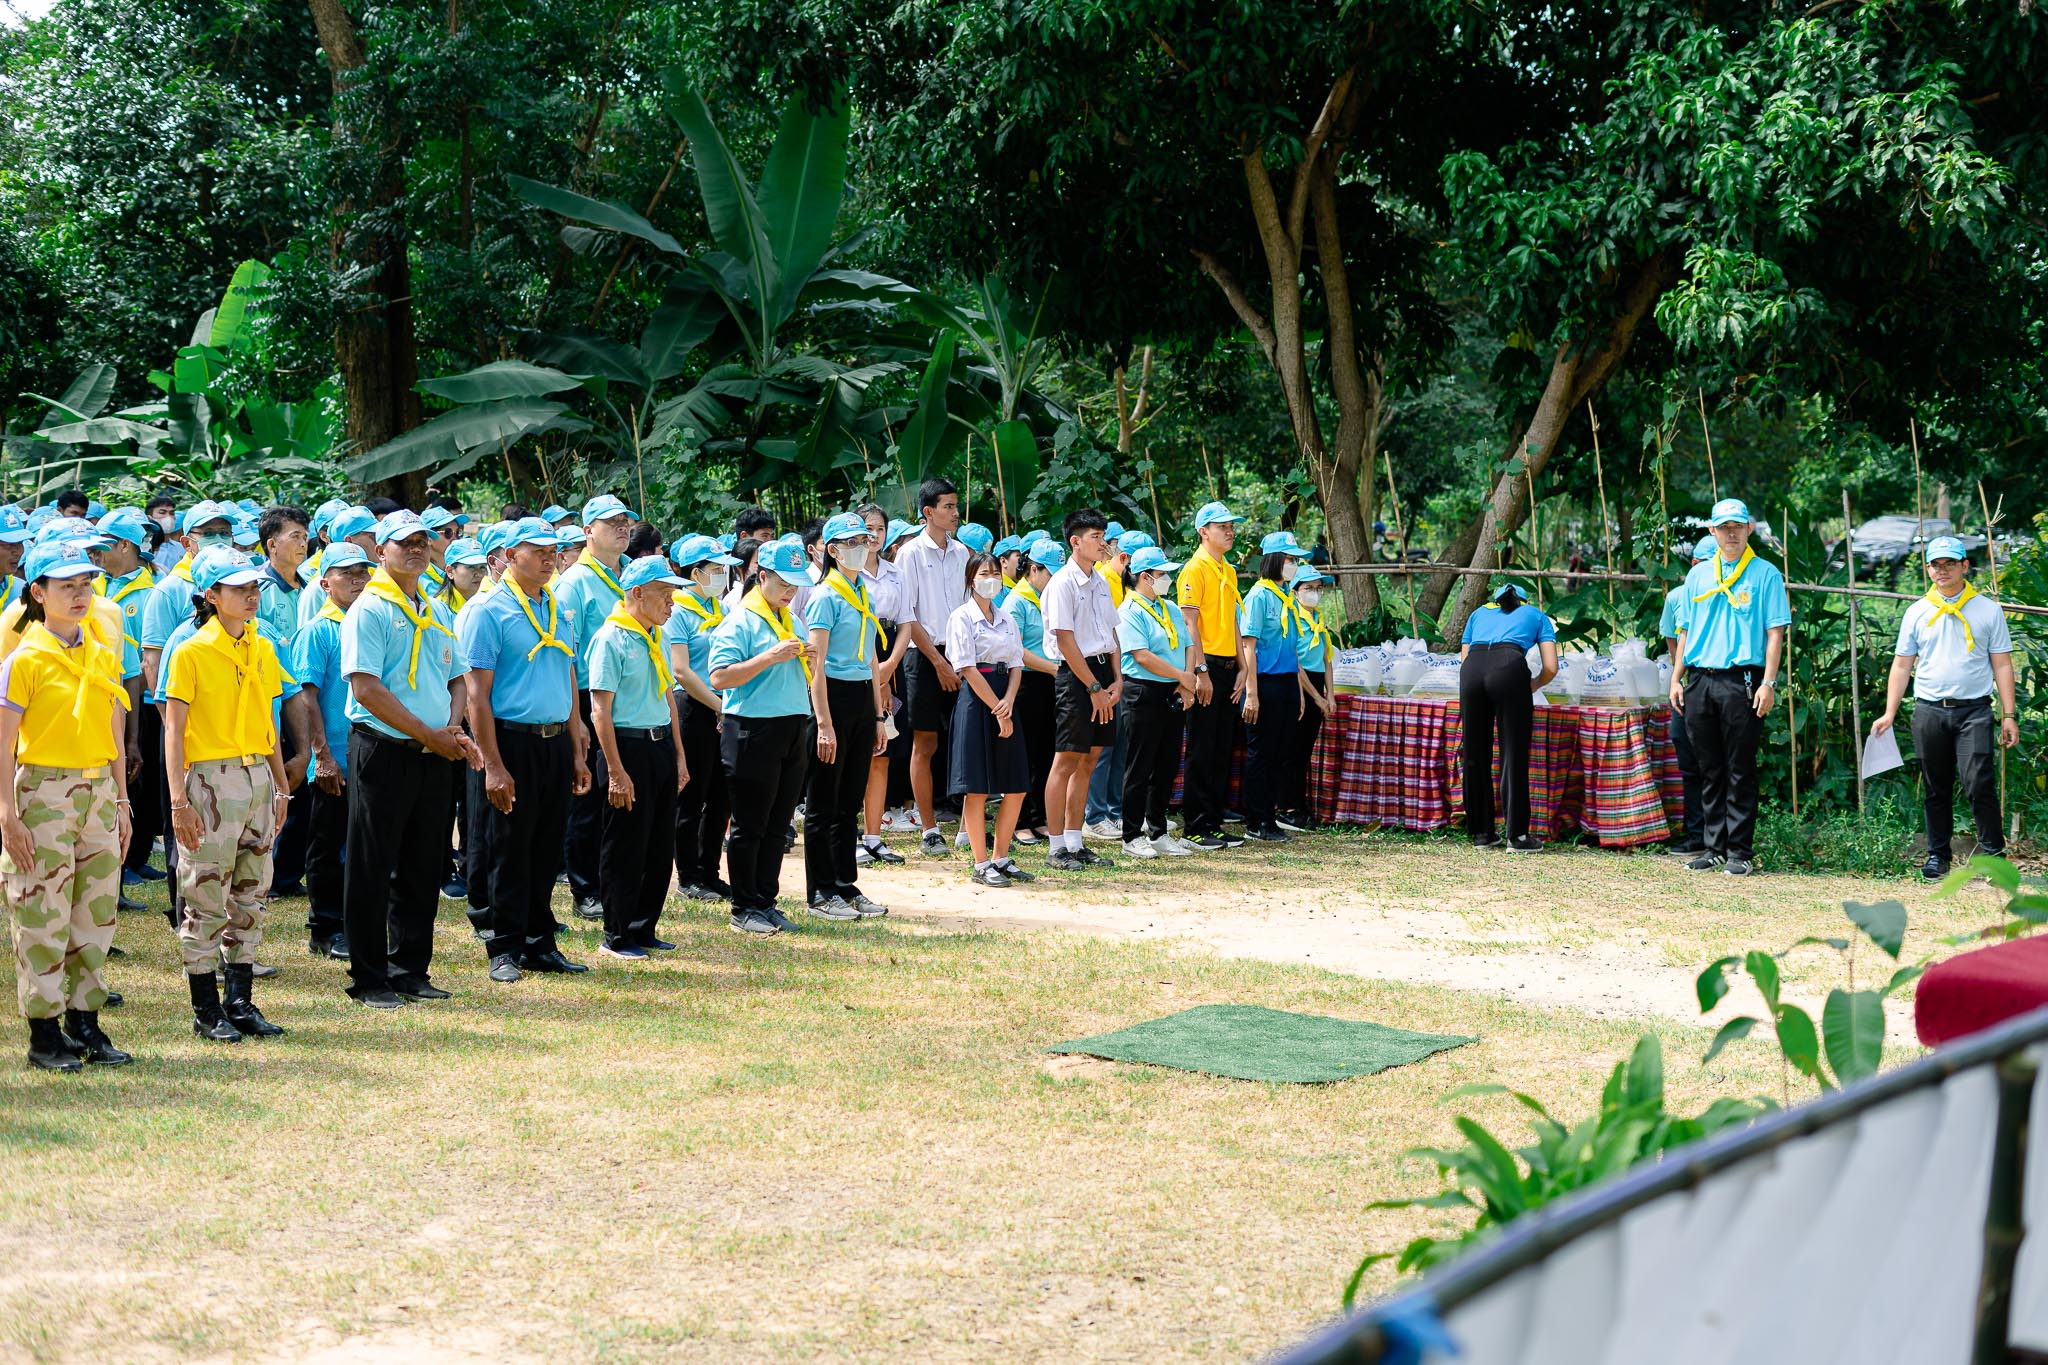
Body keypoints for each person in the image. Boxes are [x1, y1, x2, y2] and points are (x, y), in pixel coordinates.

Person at [339, 510, 481, 1008]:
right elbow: (366, 688)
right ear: (381, 552)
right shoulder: (370, 609)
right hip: (384, 749)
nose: (417, 549)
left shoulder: (436, 609)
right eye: (405, 542)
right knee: (372, 864)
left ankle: (410, 967)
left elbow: (457, 678)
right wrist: (429, 734)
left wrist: (452, 728)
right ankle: (369, 976)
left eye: (423, 540)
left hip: (434, 751)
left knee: (423, 863)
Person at [2, 541, 133, 1071]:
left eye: (85, 585)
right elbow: (3, 744)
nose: (80, 595)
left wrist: (121, 798)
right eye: (66, 586)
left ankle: (86, 1022)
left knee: (95, 912)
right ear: (38, 593)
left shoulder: (100, 653)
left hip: (98, 791)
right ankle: (44, 1033)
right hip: (43, 792)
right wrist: (7, 815)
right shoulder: (24, 660)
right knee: (41, 912)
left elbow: (114, 729)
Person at [162, 545, 292, 1042]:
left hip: (256, 774)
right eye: (238, 589)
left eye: (254, 586)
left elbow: (267, 722)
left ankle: (239, 1001)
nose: (251, 595)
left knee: (252, 892)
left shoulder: (262, 646)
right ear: (211, 595)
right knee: (205, 893)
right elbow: (174, 731)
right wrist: (179, 801)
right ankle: (205, 1008)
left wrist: (280, 786)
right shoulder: (191, 650)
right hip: (210, 780)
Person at [464, 517, 591, 982]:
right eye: (536, 550)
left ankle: (540, 941)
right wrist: (493, 765)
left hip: (555, 739)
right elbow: (477, 695)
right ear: (509, 555)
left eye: (552, 550)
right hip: (511, 739)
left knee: (546, 847)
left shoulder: (557, 606)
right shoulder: (488, 610)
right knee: (509, 847)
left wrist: (576, 743)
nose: (547, 558)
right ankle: (505, 946)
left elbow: (567, 675)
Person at [1871, 536, 2018, 879]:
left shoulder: (1988, 610)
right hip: (1930, 710)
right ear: (1928, 569)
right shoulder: (1917, 612)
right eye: (1936, 565)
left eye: (1950, 564)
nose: (1943, 571)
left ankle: (1994, 856)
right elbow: (1902, 665)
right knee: (1935, 787)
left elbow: (2002, 664)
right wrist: (1890, 712)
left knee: (1978, 782)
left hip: (1974, 711)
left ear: (1965, 566)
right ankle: (1938, 856)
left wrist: (2009, 715)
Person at [1669, 498, 1792, 877]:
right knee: (1708, 768)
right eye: (1724, 528)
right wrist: (1676, 677)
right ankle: (1713, 848)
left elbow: (1775, 633)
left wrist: (1768, 682)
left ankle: (1740, 851)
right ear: (1713, 531)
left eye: (1738, 526)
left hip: (1742, 680)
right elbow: (1685, 630)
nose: (1731, 533)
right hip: (1700, 680)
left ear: (1749, 529)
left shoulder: (1765, 574)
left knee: (1739, 768)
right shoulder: (1698, 576)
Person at [706, 536, 815, 936]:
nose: (790, 592)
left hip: (792, 724)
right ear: (761, 576)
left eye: (795, 585)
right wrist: (769, 657)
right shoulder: (740, 620)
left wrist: (808, 659)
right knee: (749, 823)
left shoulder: (791, 620)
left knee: (778, 822)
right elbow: (719, 677)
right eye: (783, 583)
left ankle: (766, 900)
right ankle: (743, 905)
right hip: (752, 727)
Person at [588, 555, 690, 959]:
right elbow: (600, 710)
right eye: (664, 594)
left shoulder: (656, 636)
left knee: (659, 844)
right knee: (625, 844)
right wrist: (615, 770)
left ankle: (644, 926)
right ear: (637, 593)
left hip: (659, 743)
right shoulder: (611, 638)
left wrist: (679, 755)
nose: (671, 603)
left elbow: (668, 698)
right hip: (626, 748)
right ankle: (616, 933)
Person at [799, 514, 891, 919]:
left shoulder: (861, 591)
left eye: (864, 540)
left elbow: (870, 657)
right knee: (823, 802)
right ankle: (820, 892)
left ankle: (844, 884)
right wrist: (823, 723)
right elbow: (815, 664)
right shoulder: (825, 596)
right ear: (832, 550)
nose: (861, 547)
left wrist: (877, 716)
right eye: (852, 542)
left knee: (849, 800)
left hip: (859, 698)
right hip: (831, 697)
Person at [555, 494, 638, 920]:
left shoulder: (630, 573)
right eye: (612, 522)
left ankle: (613, 881)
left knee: (618, 794)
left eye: (626, 520)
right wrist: (577, 717)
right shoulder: (574, 582)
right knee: (588, 797)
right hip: (589, 695)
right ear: (588, 531)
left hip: (629, 694)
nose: (623, 527)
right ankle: (585, 887)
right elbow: (565, 656)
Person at [289, 542, 372, 961]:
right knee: (327, 844)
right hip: (334, 755)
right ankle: (324, 927)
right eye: (346, 573)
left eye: (362, 572)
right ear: (325, 583)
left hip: (366, 752)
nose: (357, 580)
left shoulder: (369, 622)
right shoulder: (319, 630)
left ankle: (353, 922)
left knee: (359, 844)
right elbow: (306, 697)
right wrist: (320, 755)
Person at [946, 552, 1034, 886]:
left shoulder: (1007, 618)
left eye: (996, 573)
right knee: (976, 788)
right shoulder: (961, 617)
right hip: (977, 699)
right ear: (971, 580)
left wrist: (1008, 701)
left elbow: (1016, 663)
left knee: (1016, 785)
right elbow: (967, 668)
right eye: (984, 573)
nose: (992, 579)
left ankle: (1001, 857)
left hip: (1006, 697)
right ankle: (981, 863)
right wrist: (998, 707)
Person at [1041, 508, 1121, 872]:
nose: (1103, 544)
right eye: (1096, 537)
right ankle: (1056, 845)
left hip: (1103, 674)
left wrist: (1117, 679)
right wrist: (1092, 686)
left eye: (1103, 536)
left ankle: (1075, 841)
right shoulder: (1062, 583)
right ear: (1075, 541)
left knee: (1090, 758)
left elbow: (1112, 633)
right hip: (1077, 677)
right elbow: (1065, 640)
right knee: (1066, 760)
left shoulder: (1101, 582)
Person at [894, 480, 968, 856]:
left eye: (956, 506)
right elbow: (907, 615)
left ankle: (968, 827)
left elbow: (969, 608)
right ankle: (928, 828)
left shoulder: (962, 552)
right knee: (925, 742)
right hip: (922, 656)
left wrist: (961, 659)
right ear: (928, 512)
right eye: (948, 506)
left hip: (961, 654)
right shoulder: (909, 554)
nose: (955, 513)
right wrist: (938, 662)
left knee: (966, 739)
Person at [1459, 581, 1560, 850]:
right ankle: (1517, 836)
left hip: (1471, 671)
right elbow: (1551, 666)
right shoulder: (1536, 615)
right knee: (1513, 752)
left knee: (1474, 752)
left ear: (1495, 599)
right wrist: (1534, 683)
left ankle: (1482, 833)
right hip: (1509, 667)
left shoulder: (1478, 613)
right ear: (1524, 601)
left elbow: (1465, 658)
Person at [664, 534, 738, 902]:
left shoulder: (721, 610)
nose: (723, 575)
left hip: (723, 705)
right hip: (693, 707)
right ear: (695, 573)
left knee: (722, 797)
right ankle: (688, 875)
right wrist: (717, 705)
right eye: (716, 569)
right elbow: (681, 670)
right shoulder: (677, 611)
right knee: (691, 797)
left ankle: (710, 871)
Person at [1175, 502, 1249, 850]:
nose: (1229, 531)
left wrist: (1243, 664)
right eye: (1222, 526)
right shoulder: (1194, 569)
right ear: (1203, 531)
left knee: (1221, 748)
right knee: (1202, 747)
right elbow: (1190, 623)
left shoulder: (1228, 570)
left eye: (1231, 526)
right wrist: (1200, 670)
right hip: (1206, 667)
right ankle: (1194, 826)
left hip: (1228, 665)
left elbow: (1232, 619)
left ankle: (1213, 821)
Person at [98, 509, 163, 889]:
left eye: (105, 544)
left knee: (140, 780)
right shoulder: (95, 586)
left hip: (142, 699)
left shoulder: (149, 592)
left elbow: (142, 660)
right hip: (106, 697)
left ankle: (135, 856)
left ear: (125, 546)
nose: (97, 553)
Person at [1115, 544, 1194, 859]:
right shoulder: (1128, 611)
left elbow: (1188, 644)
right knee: (1139, 766)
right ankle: (1131, 834)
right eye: (1162, 574)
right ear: (1145, 577)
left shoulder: (1169, 607)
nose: (1167, 580)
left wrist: (1186, 681)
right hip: (1142, 692)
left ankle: (1158, 830)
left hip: (1172, 691)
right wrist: (1182, 676)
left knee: (1167, 764)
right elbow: (1141, 655)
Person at [1081, 529, 1153, 841]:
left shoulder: (1121, 583)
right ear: (1124, 559)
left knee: (1120, 746)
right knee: (1103, 749)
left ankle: (1115, 809)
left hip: (1123, 674)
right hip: (1104, 672)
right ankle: (1095, 815)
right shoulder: (1102, 582)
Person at [1239, 532, 1309, 844]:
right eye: (1289, 559)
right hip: (1263, 682)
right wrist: (1252, 693)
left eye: (1295, 560)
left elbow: (1292, 647)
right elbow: (1248, 647)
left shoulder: (1287, 596)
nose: (1293, 565)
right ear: (1275, 560)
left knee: (1280, 753)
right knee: (1262, 754)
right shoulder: (1259, 595)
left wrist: (1299, 690)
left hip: (1286, 681)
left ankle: (1271, 816)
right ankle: (1258, 821)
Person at [854, 504, 912, 869]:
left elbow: (906, 622)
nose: (874, 536)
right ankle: (852, 835)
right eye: (868, 529)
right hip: (861, 655)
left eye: (880, 529)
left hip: (893, 656)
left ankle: (874, 837)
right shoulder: (849, 575)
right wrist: (879, 674)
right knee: (858, 752)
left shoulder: (896, 573)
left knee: (884, 750)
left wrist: (890, 669)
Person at [1659, 536, 1719, 856]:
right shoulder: (1678, 597)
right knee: (1690, 760)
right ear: (1694, 565)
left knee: (1715, 762)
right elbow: (1675, 646)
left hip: (1716, 681)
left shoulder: (1725, 593)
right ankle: (1698, 834)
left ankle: (1718, 836)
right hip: (1690, 682)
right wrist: (1678, 680)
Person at [1002, 537, 1063, 844]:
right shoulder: (1017, 601)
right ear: (1034, 569)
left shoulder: (1052, 598)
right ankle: (1020, 820)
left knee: (1046, 752)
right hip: (1027, 682)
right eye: (1050, 572)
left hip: (1052, 680)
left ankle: (1039, 816)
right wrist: (1053, 668)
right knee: (1024, 753)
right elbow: (1017, 648)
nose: (1054, 579)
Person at [1283, 565, 1336, 833]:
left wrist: (1330, 695)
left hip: (1317, 685)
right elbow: (1294, 661)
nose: (1314, 593)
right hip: (1298, 685)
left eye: (1318, 588)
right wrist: (1316, 697)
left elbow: (1327, 659)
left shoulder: (1318, 618)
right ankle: (1288, 809)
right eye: (1308, 588)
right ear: (1295, 592)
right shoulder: (1291, 617)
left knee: (1304, 751)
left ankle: (1299, 806)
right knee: (1291, 750)